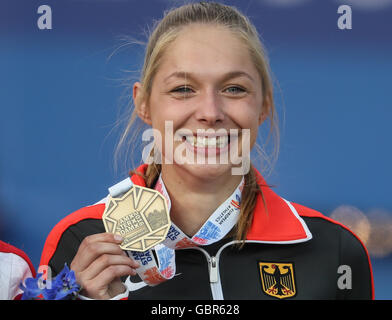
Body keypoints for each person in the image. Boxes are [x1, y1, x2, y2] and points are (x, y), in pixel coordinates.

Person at [39, 2, 374, 300]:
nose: (210, 111)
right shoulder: (83, 241)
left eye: (234, 88)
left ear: (263, 106)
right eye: (183, 89)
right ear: (143, 103)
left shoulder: (334, 251)